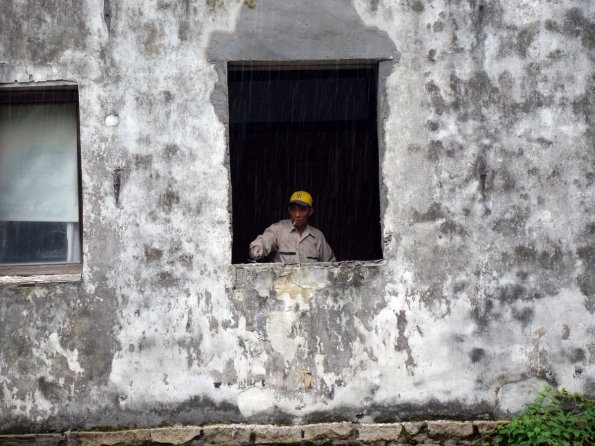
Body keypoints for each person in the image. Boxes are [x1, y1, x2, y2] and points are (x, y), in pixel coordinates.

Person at [249, 191, 336, 264]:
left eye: (302, 210)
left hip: (310, 284)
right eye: (293, 209)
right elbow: (265, 239)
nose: (297, 215)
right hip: (283, 284)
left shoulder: (317, 236)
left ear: (310, 211)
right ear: (289, 210)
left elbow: (331, 264)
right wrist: (258, 248)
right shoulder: (278, 229)